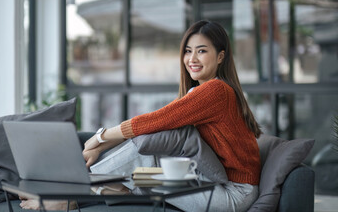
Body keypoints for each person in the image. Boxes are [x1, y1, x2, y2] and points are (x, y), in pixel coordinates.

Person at [20, 20, 262, 212]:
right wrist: (103, 142)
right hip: (212, 178)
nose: (192, 59)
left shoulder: (217, 91)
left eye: (202, 51)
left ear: (220, 56)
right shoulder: (200, 91)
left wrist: (100, 138)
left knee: (144, 149)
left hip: (233, 194)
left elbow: (157, 120)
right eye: (188, 51)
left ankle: (66, 194)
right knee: (142, 173)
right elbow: (159, 124)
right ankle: (76, 192)